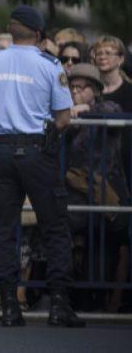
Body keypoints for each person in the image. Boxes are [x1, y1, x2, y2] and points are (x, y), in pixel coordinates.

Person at [0, 5, 85, 328]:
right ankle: (59, 305)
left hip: (1, 152)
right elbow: (63, 118)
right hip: (38, 152)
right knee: (54, 227)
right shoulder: (50, 66)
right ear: (38, 35)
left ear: (11, 31)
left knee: (5, 230)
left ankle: (9, 306)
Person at [64, 63, 129, 313]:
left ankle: (100, 300)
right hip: (73, 191)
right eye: (73, 87)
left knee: (103, 249)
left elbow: (113, 118)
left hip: (105, 192)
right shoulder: (64, 111)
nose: (76, 92)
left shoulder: (107, 107)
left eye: (83, 87)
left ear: (95, 90)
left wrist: (87, 112)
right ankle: (71, 297)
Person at [93, 35, 132, 112]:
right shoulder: (90, 89)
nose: (102, 57)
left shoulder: (130, 91)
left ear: (120, 59)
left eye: (108, 53)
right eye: (99, 53)